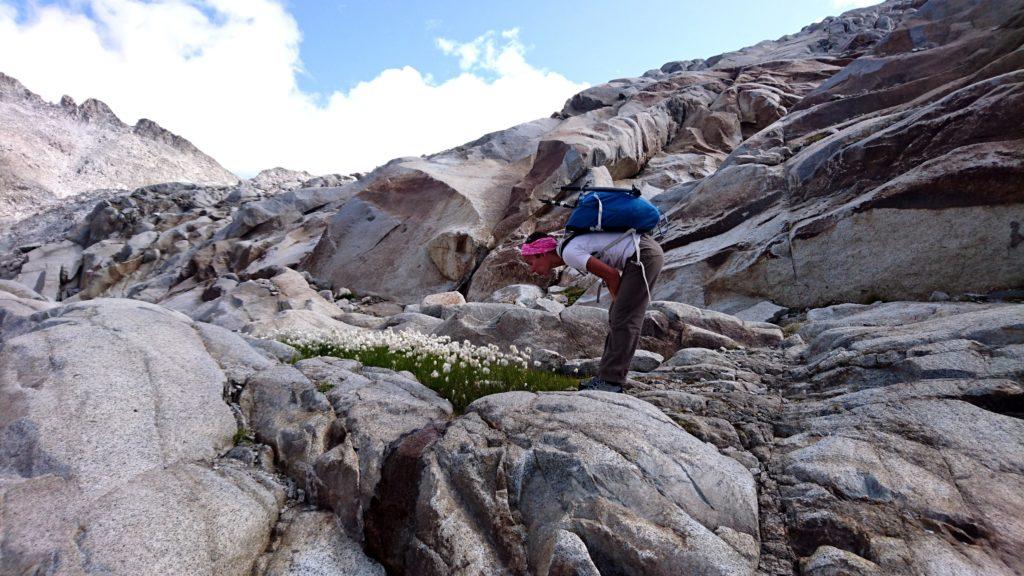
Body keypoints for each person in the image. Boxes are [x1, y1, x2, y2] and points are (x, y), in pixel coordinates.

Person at [520, 230, 664, 393]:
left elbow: (612, 275)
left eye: (530, 262)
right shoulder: (569, 249)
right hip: (642, 253)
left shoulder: (569, 253)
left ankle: (611, 382)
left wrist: (619, 308)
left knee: (624, 319)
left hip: (643, 256)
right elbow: (611, 274)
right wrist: (617, 307)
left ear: (541, 254)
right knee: (617, 316)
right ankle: (606, 377)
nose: (531, 270)